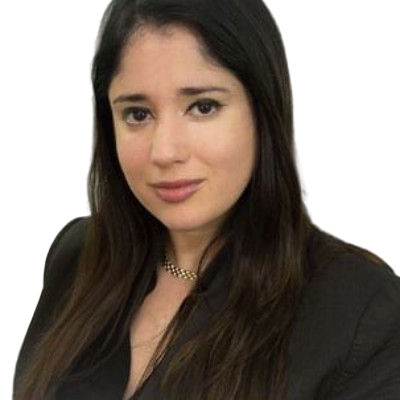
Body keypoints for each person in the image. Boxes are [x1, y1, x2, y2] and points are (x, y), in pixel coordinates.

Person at [12, 0, 400, 399]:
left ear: (263, 110)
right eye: (137, 114)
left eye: (203, 107)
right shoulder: (77, 254)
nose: (165, 152)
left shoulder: (360, 306)